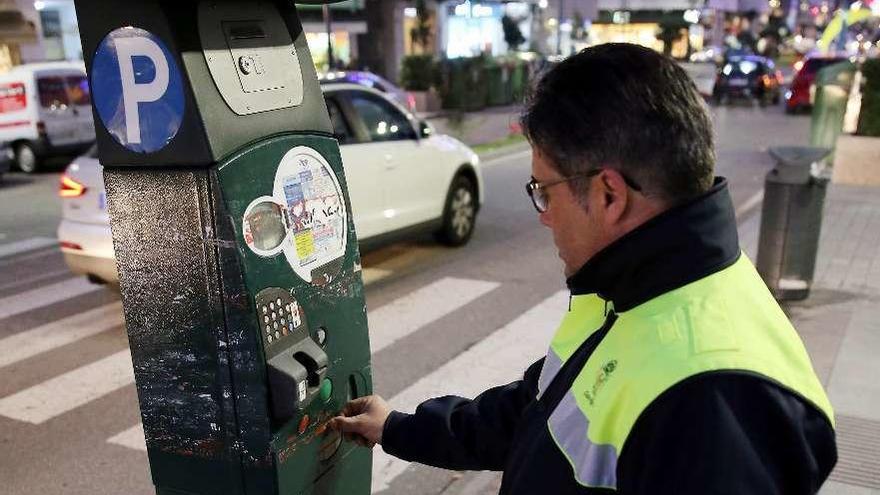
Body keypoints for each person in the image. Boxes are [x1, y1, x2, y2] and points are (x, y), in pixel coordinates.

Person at [329, 43, 837, 494]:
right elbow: (537, 411)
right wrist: (397, 427)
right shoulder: (637, 289)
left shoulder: (715, 403)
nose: (544, 216)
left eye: (543, 191)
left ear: (609, 194)